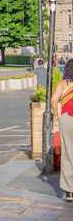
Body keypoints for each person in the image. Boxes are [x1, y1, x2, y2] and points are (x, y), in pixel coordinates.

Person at [51, 59, 73, 201]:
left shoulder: (63, 84)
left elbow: (54, 100)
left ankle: (70, 191)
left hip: (67, 118)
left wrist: (55, 113)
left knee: (68, 153)